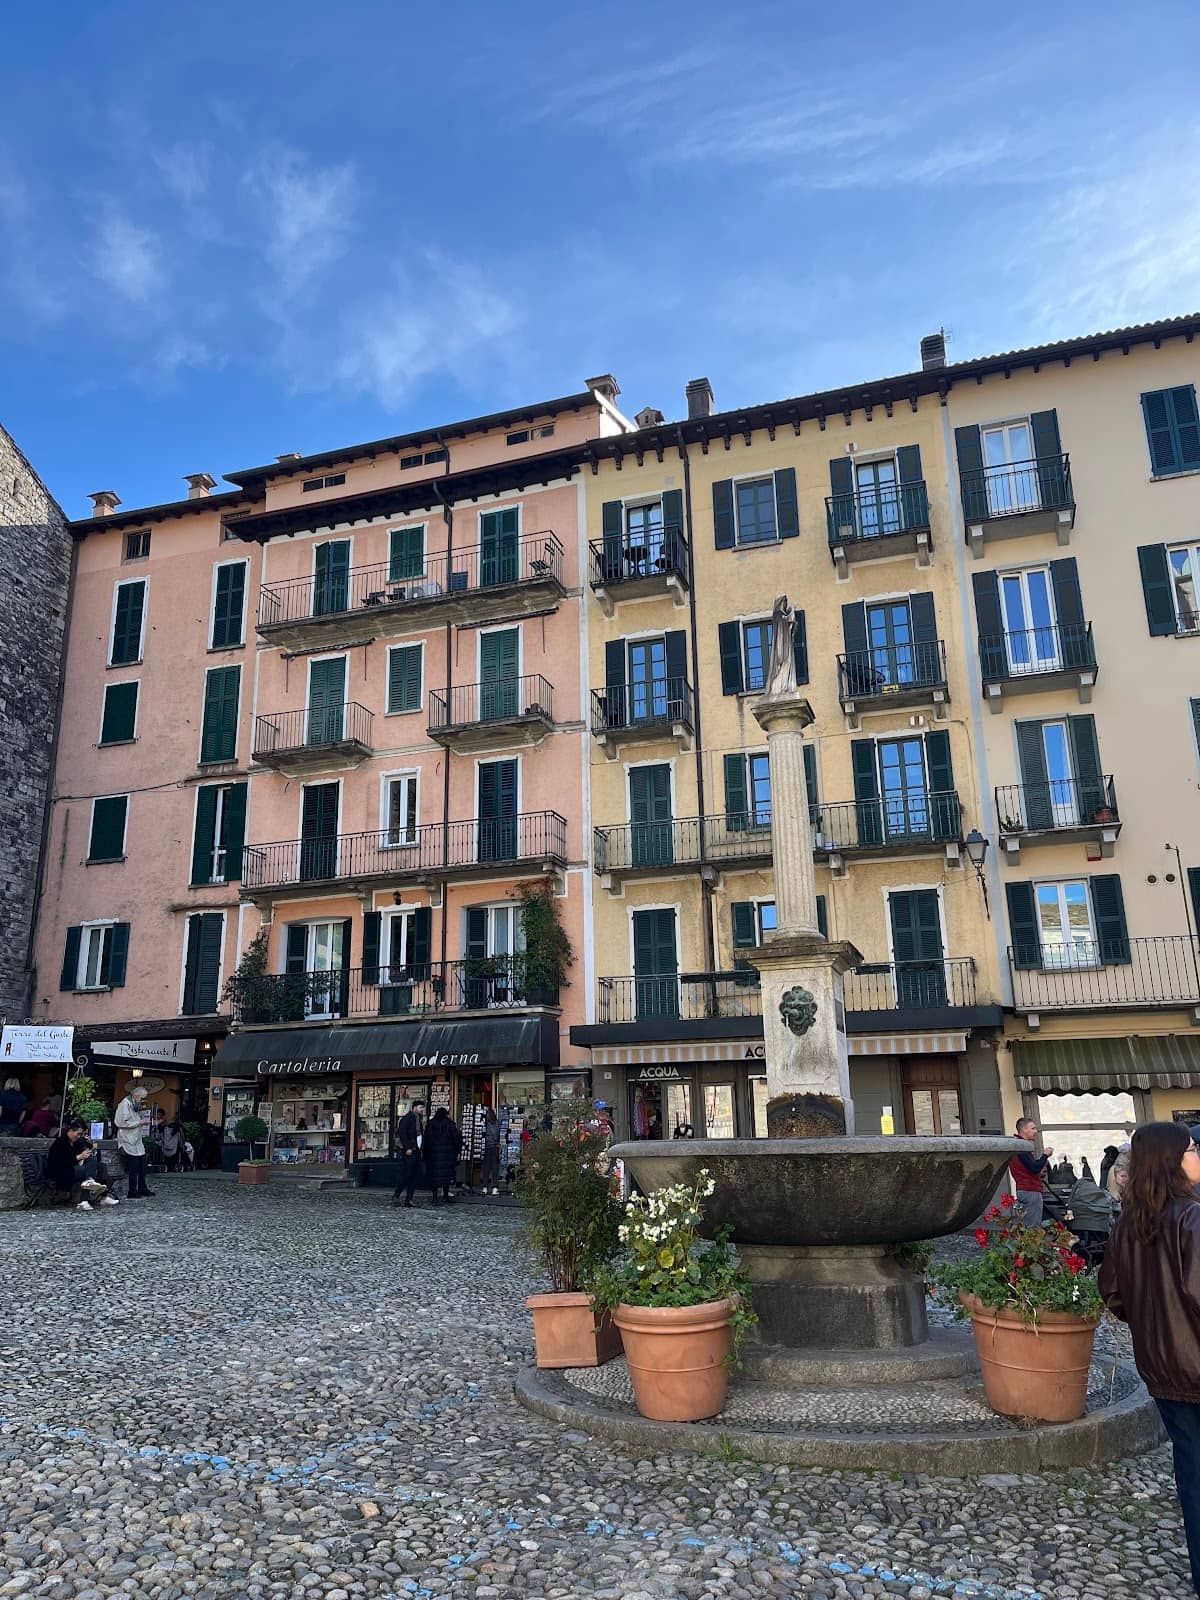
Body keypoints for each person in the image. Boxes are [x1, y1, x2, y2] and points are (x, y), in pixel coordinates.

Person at [1100, 1122, 1200, 1596]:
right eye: (1193, 1149)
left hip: (1161, 1370)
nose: (1198, 1155)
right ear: (1173, 1160)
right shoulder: (1192, 1219)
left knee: (1194, 1475)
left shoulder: (1128, 1226)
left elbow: (1114, 1295)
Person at [45, 1120, 118, 1210]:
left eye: (81, 1134)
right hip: (61, 1171)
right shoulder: (60, 1142)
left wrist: (92, 1150)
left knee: (101, 1166)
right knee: (89, 1171)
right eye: (78, 1134)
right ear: (71, 1130)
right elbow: (60, 1162)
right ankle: (86, 1197)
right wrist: (79, 1157)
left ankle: (101, 1196)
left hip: (73, 1168)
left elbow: (92, 1151)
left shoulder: (77, 1142)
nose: (79, 1136)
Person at [1008, 1116, 1053, 1227]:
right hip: (1030, 1190)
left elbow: (1028, 1168)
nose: (1035, 1131)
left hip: (1024, 1189)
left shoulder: (1017, 1145)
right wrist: (1045, 1155)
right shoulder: (1021, 1146)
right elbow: (1033, 1168)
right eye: (1032, 1128)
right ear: (1024, 1129)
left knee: (1027, 1225)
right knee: (1033, 1227)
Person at [114, 1085, 154, 1198]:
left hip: (136, 1139)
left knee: (142, 1165)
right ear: (136, 1096)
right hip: (128, 1139)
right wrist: (139, 1123)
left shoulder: (134, 1104)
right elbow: (120, 1123)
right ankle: (132, 1191)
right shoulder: (125, 1104)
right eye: (141, 1098)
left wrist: (140, 1122)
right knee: (134, 1166)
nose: (142, 1100)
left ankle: (142, 1188)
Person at [422, 1106, 462, 1205]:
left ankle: (435, 1197)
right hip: (448, 1155)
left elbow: (426, 1140)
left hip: (433, 1155)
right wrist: (457, 1151)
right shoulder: (450, 1125)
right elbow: (456, 1139)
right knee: (446, 1177)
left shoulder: (430, 1124)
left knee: (434, 1178)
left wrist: (425, 1153)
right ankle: (445, 1196)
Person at [391, 1103, 424, 1209]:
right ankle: (396, 1196)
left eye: (422, 1108)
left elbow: (419, 1134)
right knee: (405, 1175)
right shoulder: (407, 1119)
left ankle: (409, 1199)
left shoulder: (418, 1119)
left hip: (416, 1150)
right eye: (420, 1107)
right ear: (414, 1108)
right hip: (409, 1151)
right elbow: (403, 1133)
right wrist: (407, 1147)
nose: (422, 1110)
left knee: (414, 1176)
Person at [481, 1107, 501, 1195]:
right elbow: (497, 1134)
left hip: (486, 1146)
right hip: (494, 1146)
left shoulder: (484, 1123)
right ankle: (495, 1187)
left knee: (486, 1168)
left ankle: (485, 1187)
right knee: (495, 1168)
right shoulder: (496, 1123)